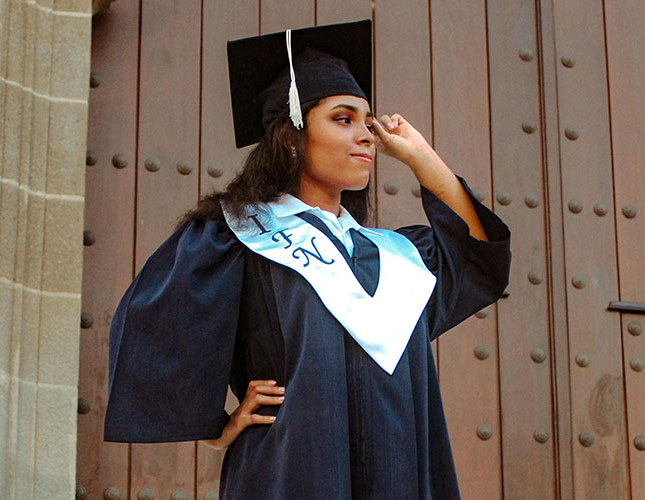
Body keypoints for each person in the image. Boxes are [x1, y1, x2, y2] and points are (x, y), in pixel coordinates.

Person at [104, 19, 511, 500]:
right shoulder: (239, 236)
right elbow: (154, 325)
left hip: (400, 469)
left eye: (367, 122)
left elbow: (478, 252)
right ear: (291, 137)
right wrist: (219, 426)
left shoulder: (398, 255)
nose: (367, 136)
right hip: (293, 469)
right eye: (343, 119)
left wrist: (421, 156)